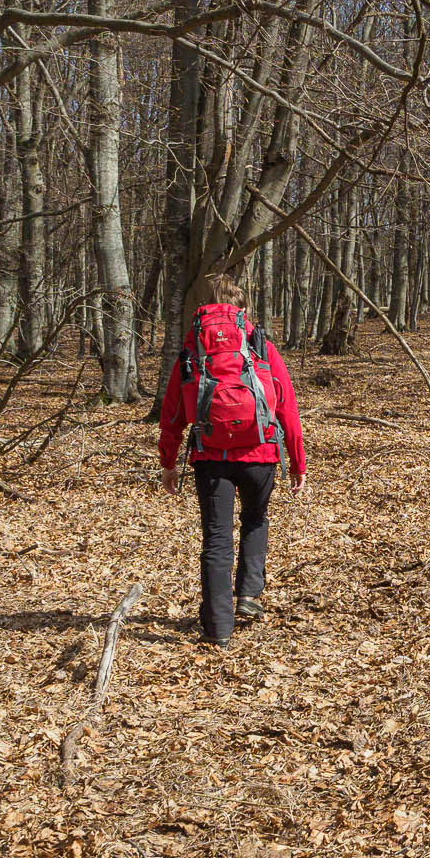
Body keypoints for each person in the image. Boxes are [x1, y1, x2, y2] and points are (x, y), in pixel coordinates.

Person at [158, 275, 306, 646]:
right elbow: (287, 408)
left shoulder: (192, 352)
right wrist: (298, 462)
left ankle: (219, 630)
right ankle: (249, 595)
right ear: (243, 310)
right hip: (261, 453)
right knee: (255, 519)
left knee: (216, 539)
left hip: (211, 457)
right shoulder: (260, 347)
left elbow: (172, 413)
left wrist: (169, 461)